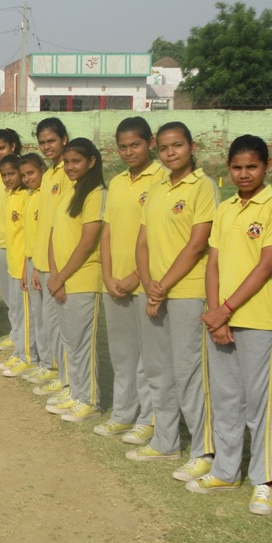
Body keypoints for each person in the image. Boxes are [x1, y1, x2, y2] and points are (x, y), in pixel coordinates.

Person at [190, 135, 272, 516]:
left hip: (259, 318)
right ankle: (225, 469)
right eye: (237, 167)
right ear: (228, 169)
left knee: (259, 402)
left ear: (267, 165)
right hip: (222, 318)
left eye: (252, 166)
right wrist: (216, 311)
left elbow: (265, 266)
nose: (244, 174)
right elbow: (213, 263)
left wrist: (227, 309)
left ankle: (262, 481)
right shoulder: (226, 208)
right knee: (226, 398)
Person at [128, 122, 218, 480]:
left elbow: (198, 244)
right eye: (164, 148)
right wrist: (150, 284)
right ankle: (166, 442)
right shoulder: (157, 187)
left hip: (187, 292)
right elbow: (143, 243)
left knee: (188, 372)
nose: (170, 153)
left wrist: (161, 286)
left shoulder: (203, 186)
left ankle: (205, 450)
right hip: (154, 291)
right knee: (157, 370)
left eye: (177, 146)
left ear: (191, 146)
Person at [96, 117, 161, 445]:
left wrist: (138, 277)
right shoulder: (118, 182)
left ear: (150, 143)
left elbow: (161, 238)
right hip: (115, 281)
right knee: (122, 355)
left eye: (134, 144)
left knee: (149, 358)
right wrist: (108, 275)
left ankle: (149, 419)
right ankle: (123, 414)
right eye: (122, 146)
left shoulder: (162, 178)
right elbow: (106, 231)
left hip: (145, 282)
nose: (128, 152)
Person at [44, 138, 105, 423]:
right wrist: (55, 275)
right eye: (67, 162)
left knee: (82, 344)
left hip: (82, 279)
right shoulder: (71, 191)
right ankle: (75, 392)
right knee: (69, 341)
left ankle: (89, 400)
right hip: (63, 279)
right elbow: (55, 235)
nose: (70, 167)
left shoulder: (96, 193)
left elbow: (87, 242)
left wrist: (62, 277)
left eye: (76, 161)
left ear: (91, 161)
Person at [29, 118, 73, 399]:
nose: (47, 147)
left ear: (64, 139)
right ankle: (56, 370)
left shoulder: (70, 172)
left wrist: (60, 270)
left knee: (65, 328)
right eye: (42, 142)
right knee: (50, 323)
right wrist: (36, 263)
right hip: (44, 262)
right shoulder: (48, 176)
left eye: (51, 141)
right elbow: (44, 222)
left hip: (61, 264)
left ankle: (69, 381)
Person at [0, 155, 35, 377]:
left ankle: (28, 356)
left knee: (26, 314)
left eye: (12, 174)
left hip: (23, 265)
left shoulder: (25, 197)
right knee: (16, 311)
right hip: (13, 262)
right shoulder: (11, 195)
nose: (8, 179)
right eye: (4, 175)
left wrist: (27, 267)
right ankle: (20, 351)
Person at [10, 153, 47, 378]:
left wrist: (37, 266)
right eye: (24, 175)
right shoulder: (31, 196)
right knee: (37, 314)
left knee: (44, 317)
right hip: (31, 260)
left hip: (43, 261)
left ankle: (45, 362)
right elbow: (28, 238)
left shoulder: (45, 196)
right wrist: (27, 267)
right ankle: (42, 361)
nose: (27, 178)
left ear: (42, 169)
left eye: (31, 173)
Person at [0, 128, 24, 352]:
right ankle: (15, 334)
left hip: (19, 243)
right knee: (10, 295)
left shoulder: (21, 171)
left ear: (13, 146)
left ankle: (24, 341)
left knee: (21, 298)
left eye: (2, 147)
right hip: (3, 241)